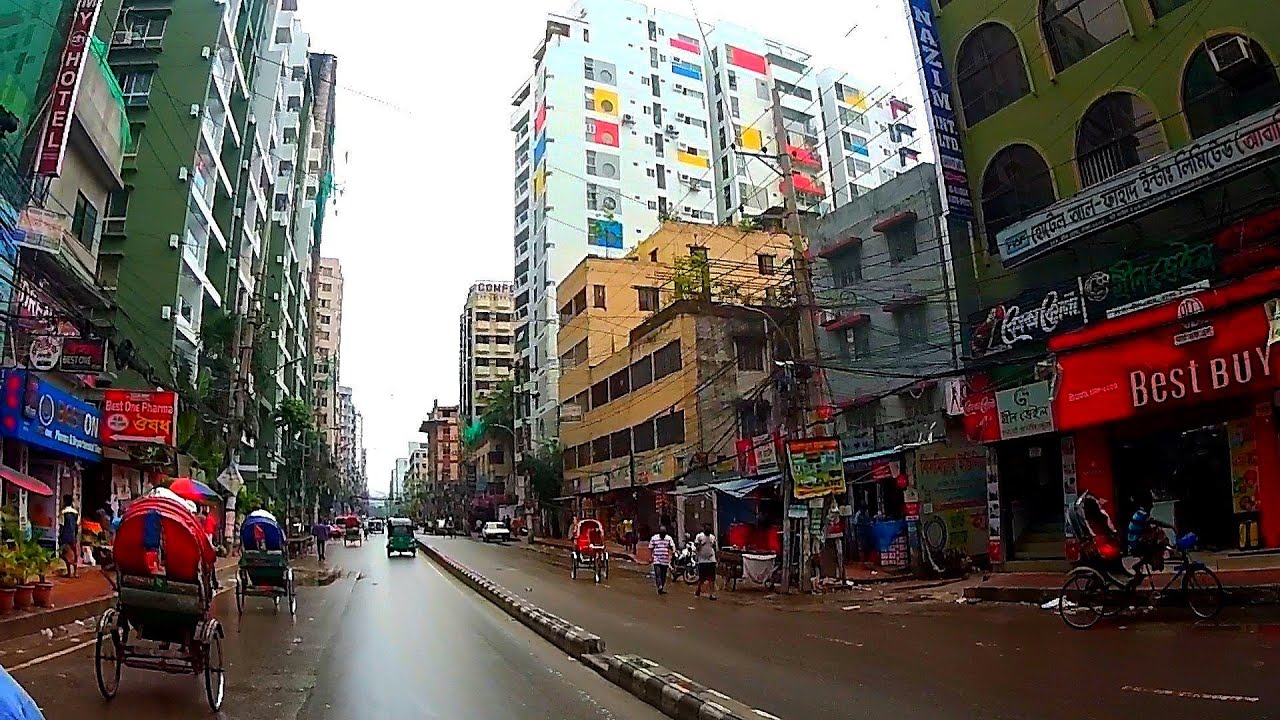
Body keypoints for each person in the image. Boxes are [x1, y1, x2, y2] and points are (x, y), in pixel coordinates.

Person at [1126, 490, 1173, 578]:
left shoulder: (1139, 513)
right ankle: (1156, 561)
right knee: (1158, 544)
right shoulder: (1142, 514)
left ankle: (1156, 560)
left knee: (1157, 532)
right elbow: (1156, 522)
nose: (1152, 506)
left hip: (1135, 542)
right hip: (1136, 544)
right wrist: (1171, 526)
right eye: (1150, 504)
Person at [648, 526, 676, 595]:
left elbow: (672, 546)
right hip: (657, 559)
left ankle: (661, 588)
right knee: (658, 574)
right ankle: (659, 586)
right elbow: (651, 548)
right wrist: (650, 557)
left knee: (663, 575)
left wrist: (673, 551)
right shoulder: (654, 538)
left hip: (665, 560)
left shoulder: (668, 538)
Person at [693, 523, 718, 600]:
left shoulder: (712, 537)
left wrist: (716, 558)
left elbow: (714, 547)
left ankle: (712, 594)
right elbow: (697, 548)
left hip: (711, 560)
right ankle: (698, 590)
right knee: (702, 579)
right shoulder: (699, 537)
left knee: (712, 578)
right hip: (702, 561)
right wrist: (701, 544)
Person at [58, 495, 79, 578]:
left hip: (65, 536)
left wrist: (60, 536)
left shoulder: (63, 512)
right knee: (75, 553)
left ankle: (69, 572)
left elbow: (62, 525)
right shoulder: (76, 512)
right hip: (73, 535)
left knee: (65, 554)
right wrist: (75, 535)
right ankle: (75, 572)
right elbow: (77, 525)